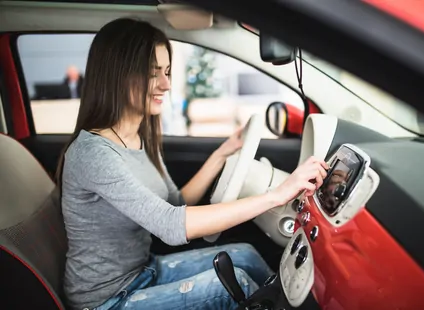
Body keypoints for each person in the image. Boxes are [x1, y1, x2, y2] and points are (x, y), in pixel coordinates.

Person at [56, 18, 328, 310]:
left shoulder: (138, 137)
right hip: (107, 299)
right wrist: (276, 195)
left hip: (143, 270)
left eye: (168, 72)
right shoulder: (93, 154)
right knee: (232, 288)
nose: (166, 84)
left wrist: (222, 154)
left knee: (246, 255)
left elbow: (176, 202)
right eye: (153, 74)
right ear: (118, 75)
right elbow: (171, 225)